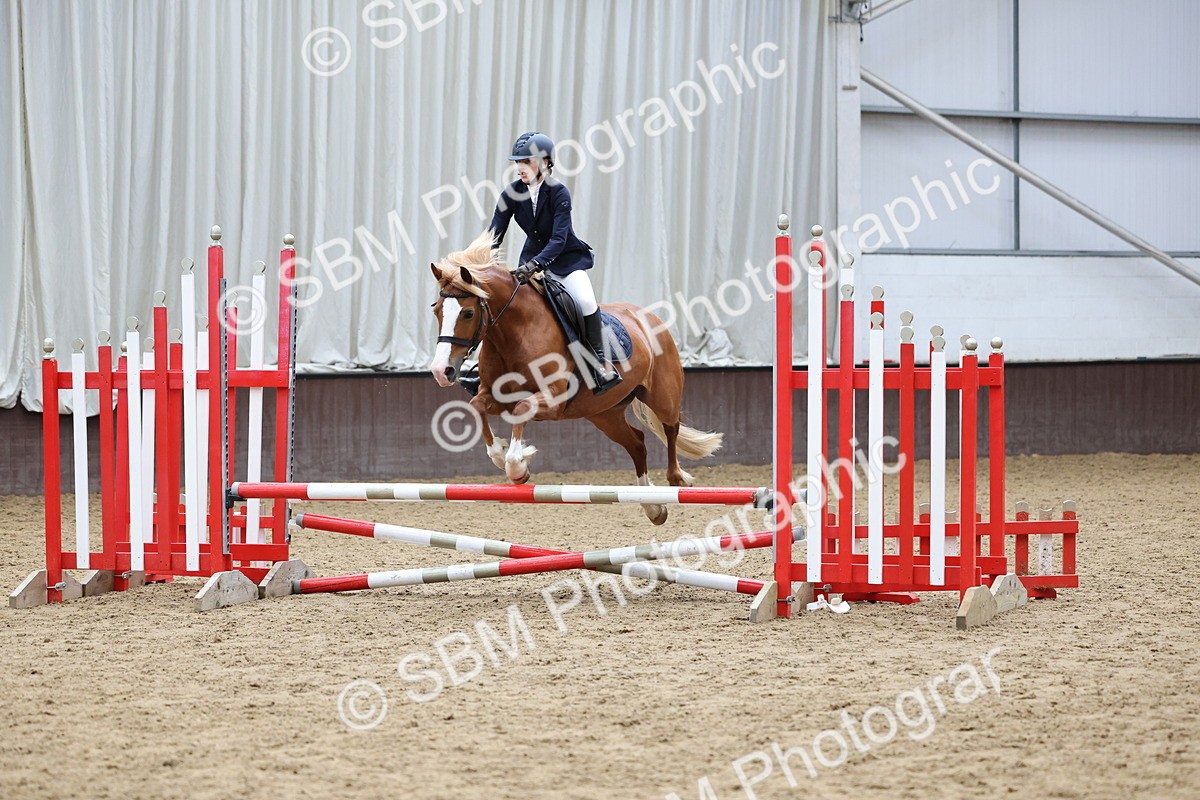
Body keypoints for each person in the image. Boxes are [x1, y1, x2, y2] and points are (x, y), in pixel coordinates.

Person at [484, 131, 622, 396]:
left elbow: (559, 239)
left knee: (585, 302)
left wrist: (536, 264)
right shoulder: (511, 193)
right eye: (518, 162)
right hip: (530, 265)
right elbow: (494, 233)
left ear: (545, 163)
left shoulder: (559, 193)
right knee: (503, 306)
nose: (520, 167)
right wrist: (480, 260)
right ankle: (485, 370)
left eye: (527, 161)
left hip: (565, 261)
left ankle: (599, 364)